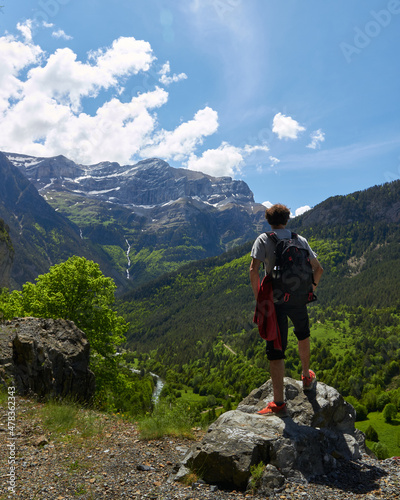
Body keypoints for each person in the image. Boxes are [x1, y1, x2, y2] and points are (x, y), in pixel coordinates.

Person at [249, 203, 323, 415]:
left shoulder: (264, 239)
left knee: (276, 347)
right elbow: (319, 269)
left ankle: (279, 403)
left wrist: (259, 299)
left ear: (268, 221)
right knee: (303, 334)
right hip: (299, 297)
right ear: (287, 219)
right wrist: (309, 289)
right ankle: (306, 377)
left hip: (275, 300)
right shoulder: (300, 240)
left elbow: (254, 270)